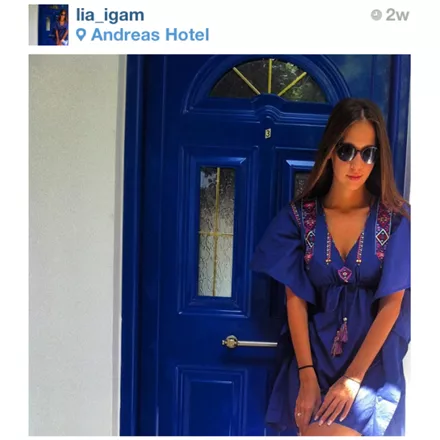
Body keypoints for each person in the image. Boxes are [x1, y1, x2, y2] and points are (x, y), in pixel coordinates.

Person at [251, 97, 410, 436]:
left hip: (369, 368)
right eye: (347, 150)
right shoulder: (299, 219)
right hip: (313, 361)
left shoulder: (395, 220)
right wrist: (306, 374)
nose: (357, 163)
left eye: (368, 153)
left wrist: (353, 379)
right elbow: (295, 300)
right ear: (330, 150)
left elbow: (392, 305)